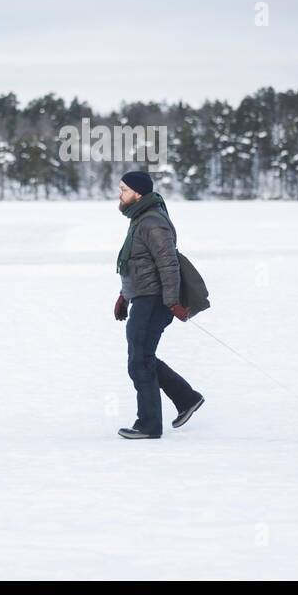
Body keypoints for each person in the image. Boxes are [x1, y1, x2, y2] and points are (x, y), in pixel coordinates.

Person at [113, 170, 205, 439]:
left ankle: (149, 425)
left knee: (139, 362)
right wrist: (124, 295)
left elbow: (168, 264)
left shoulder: (152, 222)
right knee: (143, 359)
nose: (120, 194)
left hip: (154, 301)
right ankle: (187, 398)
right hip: (144, 297)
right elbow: (136, 264)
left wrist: (172, 301)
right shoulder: (140, 219)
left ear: (138, 193)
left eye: (124, 190)